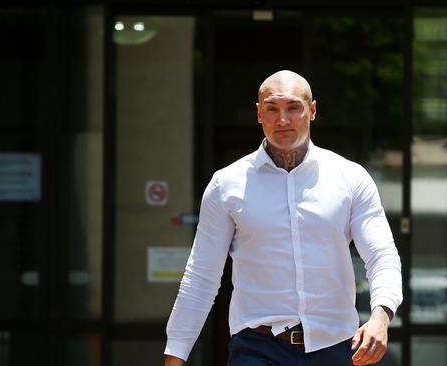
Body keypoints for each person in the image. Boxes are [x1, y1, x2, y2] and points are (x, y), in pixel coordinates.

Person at [164, 70, 402, 366]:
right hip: (257, 348)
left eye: (293, 108)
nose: (283, 120)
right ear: (259, 113)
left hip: (335, 348)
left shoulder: (350, 178)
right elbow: (201, 276)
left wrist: (381, 317)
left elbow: (381, 256)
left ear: (312, 110)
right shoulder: (226, 184)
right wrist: (176, 354)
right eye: (272, 109)